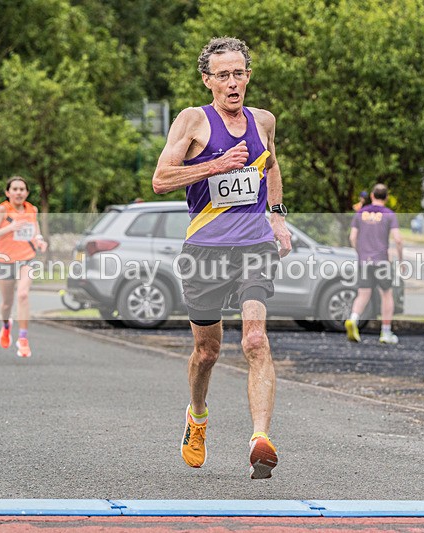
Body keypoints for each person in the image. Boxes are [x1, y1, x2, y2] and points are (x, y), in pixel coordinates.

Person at [152, 36, 291, 479]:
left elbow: (271, 167)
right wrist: (216, 165)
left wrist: (278, 217)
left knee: (254, 339)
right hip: (205, 250)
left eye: (239, 74)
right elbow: (160, 179)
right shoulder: (193, 121)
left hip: (253, 246)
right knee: (207, 352)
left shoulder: (264, 121)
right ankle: (197, 416)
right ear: (208, 80)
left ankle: (260, 439)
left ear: (248, 76)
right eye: (223, 75)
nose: (233, 83)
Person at [0, 177, 48, 358]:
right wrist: (11, 226)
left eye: (22, 189)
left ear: (27, 193)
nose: (19, 192)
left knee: (23, 295)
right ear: (8, 192)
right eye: (15, 189)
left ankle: (23, 338)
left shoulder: (32, 210)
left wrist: (40, 241)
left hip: (27, 259)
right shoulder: (2, 210)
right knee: (6, 304)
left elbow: (35, 233)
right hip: (5, 261)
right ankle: (6, 326)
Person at [345, 184, 403, 344]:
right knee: (386, 294)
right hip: (381, 261)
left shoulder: (360, 213)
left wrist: (360, 252)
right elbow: (398, 239)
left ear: (372, 196)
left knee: (363, 294)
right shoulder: (389, 215)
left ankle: (353, 319)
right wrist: (401, 259)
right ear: (387, 197)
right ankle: (385, 332)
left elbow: (352, 237)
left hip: (364, 260)